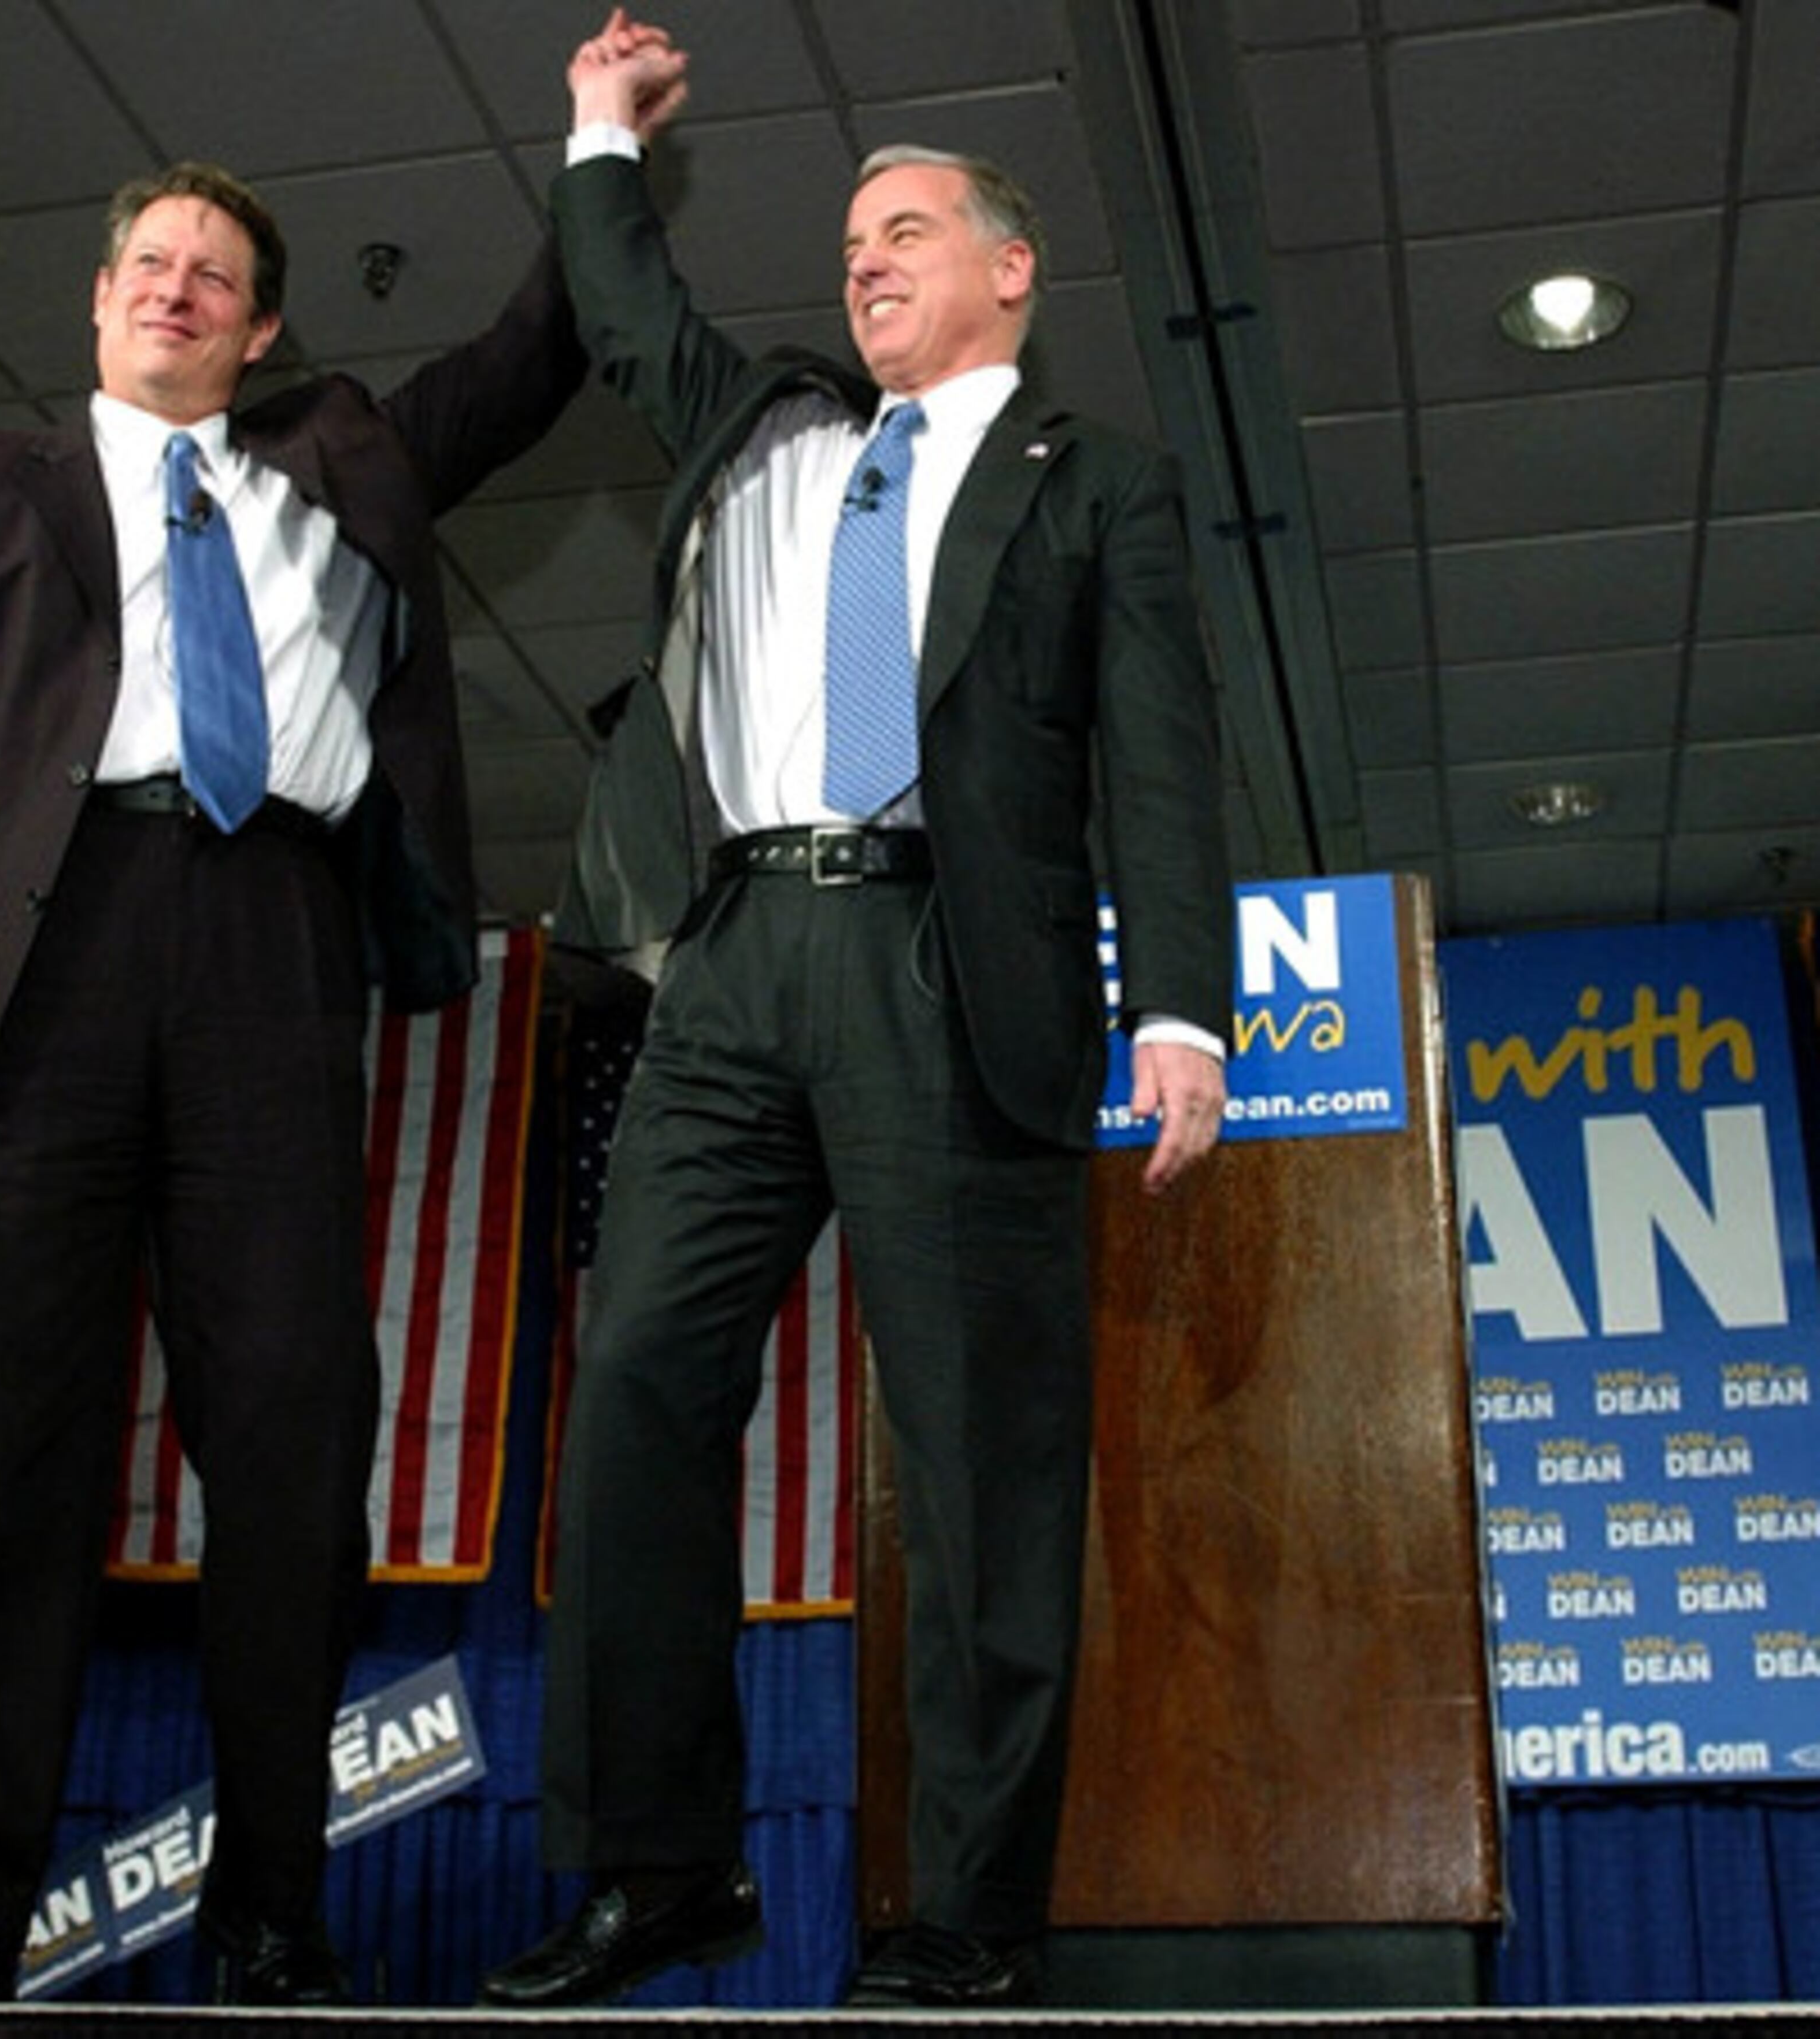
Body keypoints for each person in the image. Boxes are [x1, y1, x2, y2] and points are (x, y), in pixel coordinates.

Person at [478, 10, 1234, 2012]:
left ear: (1012, 268)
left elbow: (1159, 761)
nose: (867, 260)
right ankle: (656, 1869)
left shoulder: (1099, 489)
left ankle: (971, 1912)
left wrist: (1180, 1006)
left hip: (944, 966)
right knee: (637, 1385)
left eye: (906, 229)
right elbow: (629, 305)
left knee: (983, 1450)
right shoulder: (770, 435)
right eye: (846, 244)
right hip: (734, 967)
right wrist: (597, 133)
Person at [0, 158, 583, 2005]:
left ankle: (269, 1911)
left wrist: (606, 150)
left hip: (274, 955)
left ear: (264, 326)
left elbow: (540, 353)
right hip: (42, 972)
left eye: (216, 275)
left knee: (295, 1451)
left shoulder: (344, 462)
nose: (177, 290)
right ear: (98, 298)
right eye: (149, 264)